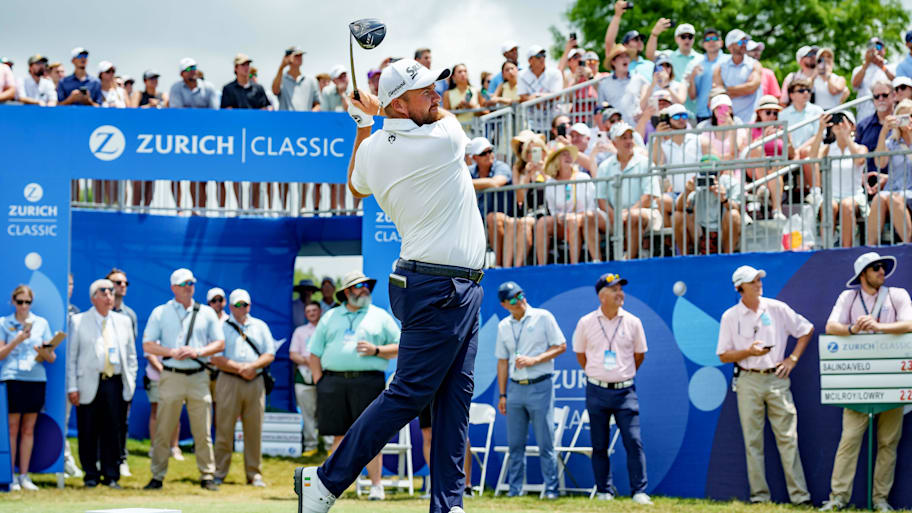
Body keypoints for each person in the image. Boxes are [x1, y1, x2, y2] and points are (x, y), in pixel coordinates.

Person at [296, 58, 486, 513]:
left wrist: (365, 123)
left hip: (450, 286)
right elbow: (436, 121)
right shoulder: (444, 140)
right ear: (400, 103)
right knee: (409, 393)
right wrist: (376, 112)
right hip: (438, 286)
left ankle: (448, 504)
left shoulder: (376, 147)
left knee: (454, 397)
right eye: (426, 92)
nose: (437, 96)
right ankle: (324, 481)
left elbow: (356, 183)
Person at [820, 252, 912, 512]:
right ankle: (838, 497)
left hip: (892, 379)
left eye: (883, 267)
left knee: (888, 442)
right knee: (849, 439)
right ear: (863, 274)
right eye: (876, 268)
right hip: (858, 383)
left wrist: (879, 327)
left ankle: (880, 499)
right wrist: (853, 329)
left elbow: (910, 323)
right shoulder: (848, 297)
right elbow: (830, 326)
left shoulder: (898, 295)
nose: (882, 272)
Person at [716, 266, 813, 505]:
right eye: (753, 281)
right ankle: (760, 498)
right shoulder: (730, 316)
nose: (759, 283)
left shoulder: (777, 308)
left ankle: (800, 497)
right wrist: (748, 351)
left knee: (788, 438)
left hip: (777, 379)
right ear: (740, 288)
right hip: (748, 379)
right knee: (753, 442)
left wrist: (792, 359)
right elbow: (723, 355)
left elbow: (806, 329)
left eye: (759, 279)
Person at [306, 271, 400, 501]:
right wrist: (320, 382)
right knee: (338, 436)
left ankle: (376, 486)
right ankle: (330, 488)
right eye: (359, 286)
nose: (365, 289)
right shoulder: (330, 317)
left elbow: (401, 345)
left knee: (370, 435)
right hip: (333, 382)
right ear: (347, 292)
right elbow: (314, 353)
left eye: (367, 285)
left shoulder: (380, 316)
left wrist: (376, 350)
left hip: (368, 381)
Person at [572, 273, 652, 504]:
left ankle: (639, 491)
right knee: (599, 443)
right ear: (601, 296)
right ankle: (604, 490)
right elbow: (580, 355)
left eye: (620, 289)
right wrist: (598, 374)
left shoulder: (633, 322)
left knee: (633, 440)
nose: (620, 294)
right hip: (596, 390)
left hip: (625, 391)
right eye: (614, 290)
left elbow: (639, 355)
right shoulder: (586, 322)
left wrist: (621, 374)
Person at [142, 268, 225, 491]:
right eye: (184, 283)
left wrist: (198, 351)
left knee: (203, 431)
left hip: (198, 376)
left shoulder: (206, 312)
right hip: (171, 375)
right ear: (174, 288)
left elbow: (219, 343)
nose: (189, 287)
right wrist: (171, 352)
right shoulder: (161, 312)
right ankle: (157, 476)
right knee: (163, 429)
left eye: (191, 283)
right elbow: (148, 344)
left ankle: (207, 475)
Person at [494, 281, 565, 499]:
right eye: (513, 298)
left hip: (540, 385)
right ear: (505, 304)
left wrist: (535, 360)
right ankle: (515, 490)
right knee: (515, 444)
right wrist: (503, 394)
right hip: (515, 388)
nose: (520, 300)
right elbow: (502, 362)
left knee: (546, 442)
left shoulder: (543, 317)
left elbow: (561, 345)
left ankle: (551, 490)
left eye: (521, 294)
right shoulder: (503, 326)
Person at [67, 279, 138, 489]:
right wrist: (72, 387)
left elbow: (131, 356)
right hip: (88, 382)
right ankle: (90, 474)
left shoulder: (123, 321)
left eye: (111, 291)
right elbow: (72, 357)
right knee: (88, 429)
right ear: (93, 297)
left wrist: (130, 382)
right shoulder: (79, 321)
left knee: (113, 430)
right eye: (103, 291)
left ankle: (111, 474)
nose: (109, 295)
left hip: (114, 382)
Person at [212, 289, 275, 487]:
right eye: (238, 305)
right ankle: (219, 472)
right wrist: (239, 368)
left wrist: (252, 367)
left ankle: (254, 473)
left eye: (245, 304)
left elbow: (269, 354)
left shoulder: (260, 326)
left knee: (254, 429)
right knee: (224, 428)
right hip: (228, 380)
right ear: (230, 307)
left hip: (254, 381)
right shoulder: (220, 327)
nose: (242, 308)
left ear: (250, 306)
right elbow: (215, 357)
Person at [1, 285, 56, 491]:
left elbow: (51, 358)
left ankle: (24, 475)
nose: (24, 306)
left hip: (36, 378)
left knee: (28, 429)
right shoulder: (4, 323)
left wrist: (42, 350)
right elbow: (0, 355)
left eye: (28, 302)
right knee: (12, 428)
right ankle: (11, 475)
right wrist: (17, 339)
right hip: (12, 377)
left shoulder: (41, 323)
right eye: (20, 302)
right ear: (13, 302)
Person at [595, 122, 663, 260]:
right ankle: (596, 261)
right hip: (615, 215)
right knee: (588, 218)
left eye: (630, 137)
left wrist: (627, 213)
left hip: (646, 212)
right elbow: (601, 199)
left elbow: (649, 196)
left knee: (634, 217)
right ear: (614, 143)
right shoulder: (604, 166)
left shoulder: (646, 163)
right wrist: (615, 215)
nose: (628, 141)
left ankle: (627, 260)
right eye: (623, 138)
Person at [808, 112, 869, 247]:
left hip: (854, 196)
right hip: (832, 197)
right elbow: (812, 158)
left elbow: (859, 160)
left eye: (843, 121)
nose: (838, 125)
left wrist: (846, 137)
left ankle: (846, 249)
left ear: (852, 126)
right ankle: (827, 249)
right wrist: (820, 130)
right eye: (835, 122)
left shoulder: (860, 148)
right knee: (828, 205)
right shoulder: (827, 149)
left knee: (847, 205)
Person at [535, 143, 599, 265]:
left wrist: (574, 216)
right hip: (561, 222)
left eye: (569, 154)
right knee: (542, 222)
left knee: (572, 220)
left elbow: (591, 206)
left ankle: (573, 264)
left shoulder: (583, 177)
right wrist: (559, 217)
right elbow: (553, 209)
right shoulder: (550, 183)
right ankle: (541, 265)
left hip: (583, 219)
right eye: (564, 154)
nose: (568, 157)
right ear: (556, 160)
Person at [105, 268, 138, 477]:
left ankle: (121, 458)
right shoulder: (97, 312)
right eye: (118, 282)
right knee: (99, 420)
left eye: (125, 283)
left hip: (121, 376)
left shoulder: (130, 316)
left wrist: (130, 380)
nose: (122, 286)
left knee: (122, 420)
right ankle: (101, 459)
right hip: (101, 376)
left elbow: (131, 350)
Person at [867, 99, 912, 244]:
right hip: (894, 190)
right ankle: (871, 247)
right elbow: (880, 163)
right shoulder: (891, 143)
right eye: (904, 117)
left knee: (894, 198)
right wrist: (884, 131)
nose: (908, 120)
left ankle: (908, 245)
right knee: (879, 198)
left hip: (909, 191)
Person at [468, 137, 511, 267]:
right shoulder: (470, 171)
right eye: (483, 153)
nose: (489, 155)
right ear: (474, 158)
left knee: (493, 218)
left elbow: (495, 183)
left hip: (506, 217)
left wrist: (466, 184)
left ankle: (497, 266)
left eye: (490, 151)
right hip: (478, 219)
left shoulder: (501, 166)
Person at [290, 301, 323, 456]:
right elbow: (293, 354)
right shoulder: (300, 331)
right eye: (308, 310)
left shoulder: (325, 329)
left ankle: (330, 445)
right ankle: (311, 445)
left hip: (324, 374)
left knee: (326, 411)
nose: (311, 313)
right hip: (304, 376)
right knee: (307, 413)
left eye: (314, 310)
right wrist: (308, 361)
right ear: (305, 314)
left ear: (320, 311)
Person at [714, 30, 761, 127]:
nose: (744, 45)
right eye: (740, 42)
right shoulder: (720, 67)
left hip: (750, 121)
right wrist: (743, 89)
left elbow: (752, 87)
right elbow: (718, 93)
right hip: (727, 121)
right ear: (730, 46)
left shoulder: (754, 64)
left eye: (745, 42)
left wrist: (727, 90)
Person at [686, 27, 727, 123]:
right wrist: (692, 78)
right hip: (702, 114)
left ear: (721, 42)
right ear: (703, 44)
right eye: (707, 39)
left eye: (715, 38)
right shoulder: (697, 64)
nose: (711, 42)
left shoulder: (728, 61)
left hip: (723, 111)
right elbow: (692, 96)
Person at [853, 37, 895, 123]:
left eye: (878, 46)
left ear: (884, 50)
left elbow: (897, 84)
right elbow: (855, 84)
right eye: (871, 46)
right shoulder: (859, 69)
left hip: (888, 116)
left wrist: (882, 67)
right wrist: (866, 64)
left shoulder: (892, 67)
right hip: (865, 116)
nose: (875, 49)